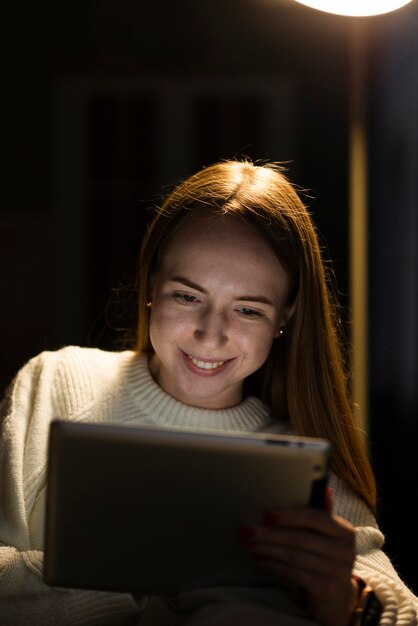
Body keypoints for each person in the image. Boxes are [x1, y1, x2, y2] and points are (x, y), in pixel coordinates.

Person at [0, 159, 417, 626]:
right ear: (153, 283)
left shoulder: (299, 458)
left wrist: (346, 602)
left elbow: (403, 611)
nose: (210, 335)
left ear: (286, 316)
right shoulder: (59, 380)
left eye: (247, 310)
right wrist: (157, 595)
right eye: (188, 296)